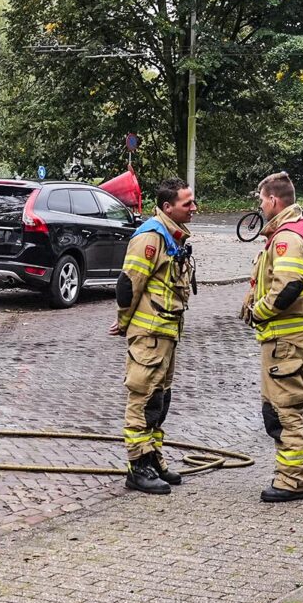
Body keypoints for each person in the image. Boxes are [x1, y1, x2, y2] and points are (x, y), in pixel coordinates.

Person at [240, 171, 303, 503]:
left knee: (283, 411)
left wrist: (258, 311)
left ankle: (292, 481)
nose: (260, 206)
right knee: (291, 409)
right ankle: (297, 473)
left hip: (286, 341)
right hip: (300, 336)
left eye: (262, 200)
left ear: (273, 200)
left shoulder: (287, 237)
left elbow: (288, 286)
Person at [111, 176, 197, 494]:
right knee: (143, 399)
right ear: (167, 207)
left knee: (160, 400)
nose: (194, 208)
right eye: (187, 203)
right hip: (149, 334)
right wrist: (123, 322)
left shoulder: (174, 236)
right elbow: (128, 284)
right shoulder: (150, 237)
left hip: (166, 334)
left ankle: (153, 458)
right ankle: (138, 466)